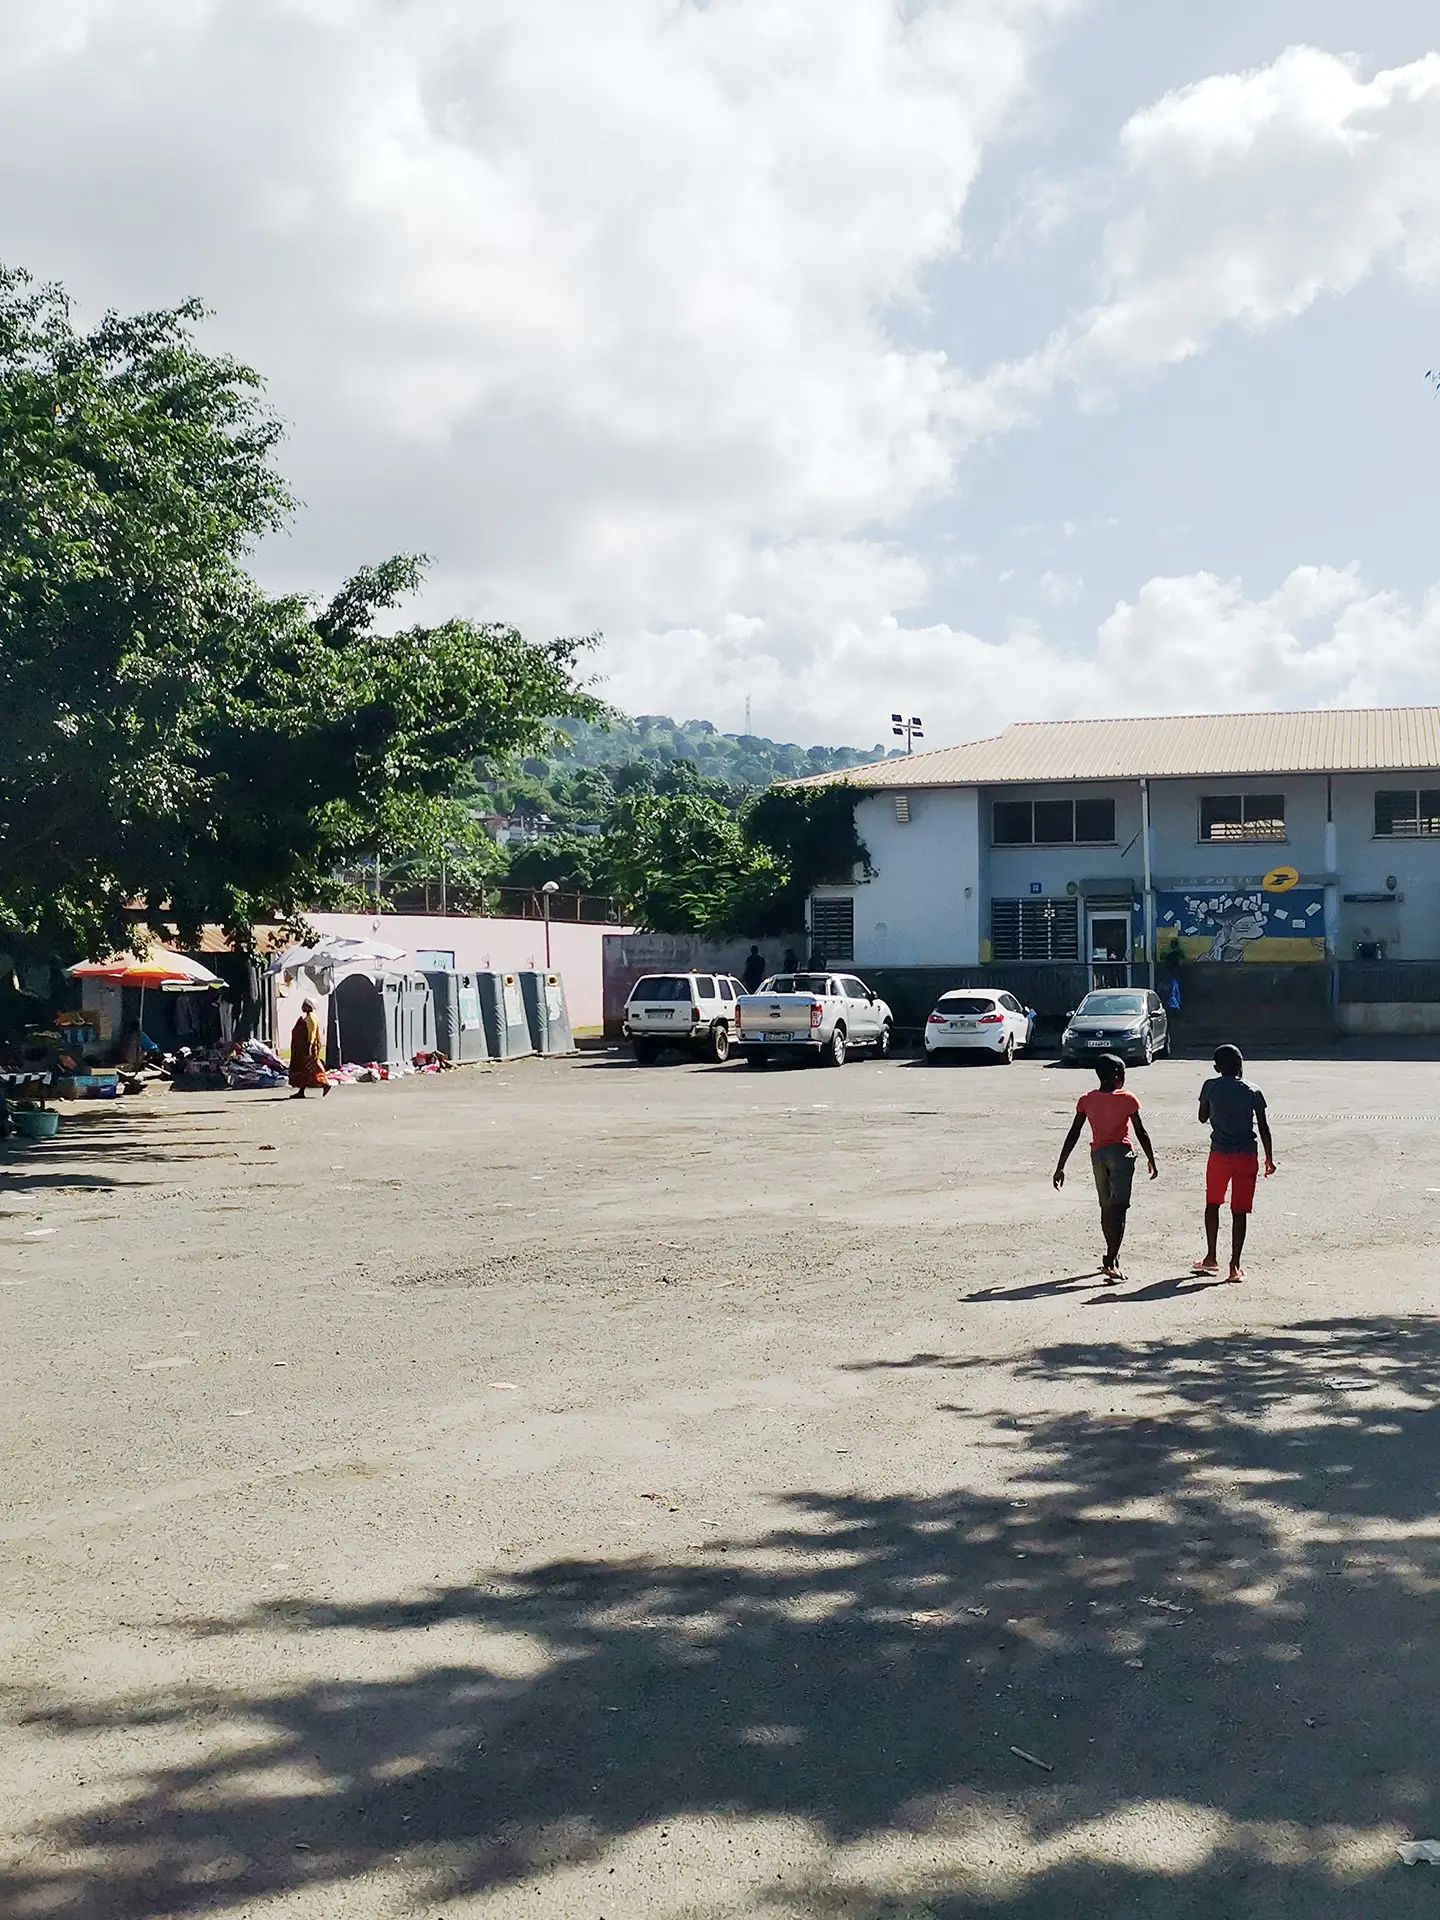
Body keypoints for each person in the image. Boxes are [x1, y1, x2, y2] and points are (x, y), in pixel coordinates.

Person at [1053, 1053, 1158, 1282]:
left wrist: (1060, 1166)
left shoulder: (1086, 1100)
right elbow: (1141, 1131)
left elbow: (1074, 1133)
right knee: (1119, 1208)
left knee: (1106, 1206)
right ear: (1117, 1075)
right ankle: (1110, 1260)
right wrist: (1151, 1157)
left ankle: (1112, 1255)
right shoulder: (1128, 1099)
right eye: (1123, 1073)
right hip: (1121, 1154)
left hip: (1098, 1155)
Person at [1193, 1043, 1274, 1282]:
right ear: (1241, 1065)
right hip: (1247, 1155)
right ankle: (1234, 1265)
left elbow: (1201, 1117)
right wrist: (1269, 1157)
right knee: (1240, 1211)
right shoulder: (1253, 1090)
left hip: (1219, 1154)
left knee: (1213, 1204)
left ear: (1216, 1067)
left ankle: (1210, 1257)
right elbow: (1264, 1127)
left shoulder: (1210, 1086)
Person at [288, 999, 330, 1099]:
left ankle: (325, 1084)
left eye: (305, 1005)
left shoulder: (311, 1017)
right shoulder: (307, 1017)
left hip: (307, 1047)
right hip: (302, 1048)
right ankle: (301, 1091)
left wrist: (309, 1047)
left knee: (313, 1068)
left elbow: (312, 1032)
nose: (303, 1007)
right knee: (303, 1070)